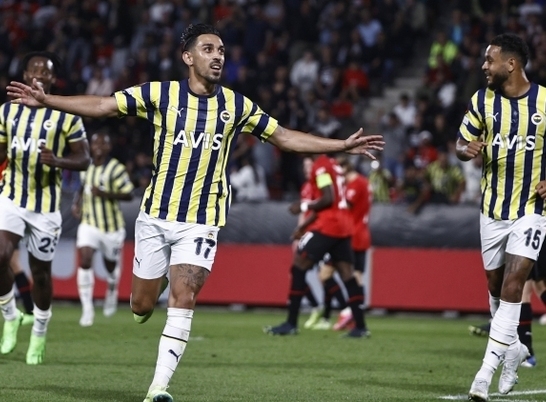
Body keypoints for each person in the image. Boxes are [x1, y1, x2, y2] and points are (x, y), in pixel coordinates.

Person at [7, 24, 384, 402]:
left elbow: (283, 137)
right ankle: (154, 292)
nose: (217, 56)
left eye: (221, 50)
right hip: (155, 216)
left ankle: (158, 388)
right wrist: (48, 100)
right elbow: (104, 105)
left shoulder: (237, 105)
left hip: (202, 221)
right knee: (140, 306)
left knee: (184, 295)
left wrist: (340, 145)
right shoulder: (161, 94)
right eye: (208, 49)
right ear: (188, 57)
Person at [456, 33, 546, 401]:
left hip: (531, 210)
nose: (484, 66)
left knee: (514, 282)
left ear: (511, 64)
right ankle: (515, 350)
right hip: (492, 211)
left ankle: (484, 374)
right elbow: (460, 142)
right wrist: (466, 150)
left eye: (489, 60)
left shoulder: (544, 101)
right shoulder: (482, 100)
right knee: (496, 290)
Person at [0, 51, 90, 364]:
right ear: (25, 75)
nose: (39, 74)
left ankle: (39, 330)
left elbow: (84, 159)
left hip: (45, 207)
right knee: (0, 255)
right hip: (11, 197)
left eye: (45, 71)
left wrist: (58, 160)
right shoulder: (7, 111)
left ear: (53, 78)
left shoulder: (66, 115)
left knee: (40, 273)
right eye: (34, 69)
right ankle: (10, 315)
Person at [264, 152, 369, 338]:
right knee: (347, 275)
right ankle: (360, 327)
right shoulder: (333, 165)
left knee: (298, 267)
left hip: (328, 226)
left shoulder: (321, 167)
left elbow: (327, 199)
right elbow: (329, 202)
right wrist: (303, 226)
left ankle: (291, 323)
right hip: (344, 226)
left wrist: (303, 206)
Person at [72, 131, 134, 327]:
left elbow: (129, 194)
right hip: (89, 223)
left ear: (108, 147)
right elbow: (82, 187)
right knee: (85, 259)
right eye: (95, 143)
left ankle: (112, 288)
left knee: (110, 266)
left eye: (102, 143)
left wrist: (105, 193)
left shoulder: (116, 169)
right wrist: (76, 203)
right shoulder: (86, 166)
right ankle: (87, 309)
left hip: (111, 228)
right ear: (90, 146)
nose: (98, 146)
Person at [333, 156, 373, 331]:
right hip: (359, 232)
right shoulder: (362, 183)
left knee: (348, 275)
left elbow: (345, 207)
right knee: (355, 274)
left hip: (353, 233)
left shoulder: (356, 184)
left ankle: (350, 311)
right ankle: (354, 312)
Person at [0, 158, 34, 325]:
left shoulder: (10, 163)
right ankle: (28, 310)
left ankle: (30, 310)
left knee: (14, 264)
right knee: (14, 265)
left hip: (8, 220)